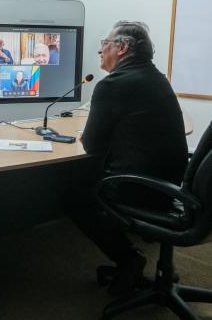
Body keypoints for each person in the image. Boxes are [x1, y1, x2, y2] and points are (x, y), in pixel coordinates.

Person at [70, 21, 188, 297]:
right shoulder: (157, 78)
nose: (100, 51)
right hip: (171, 186)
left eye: (104, 44)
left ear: (122, 48)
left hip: (139, 188)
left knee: (73, 194)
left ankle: (128, 259)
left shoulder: (112, 84)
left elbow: (91, 145)